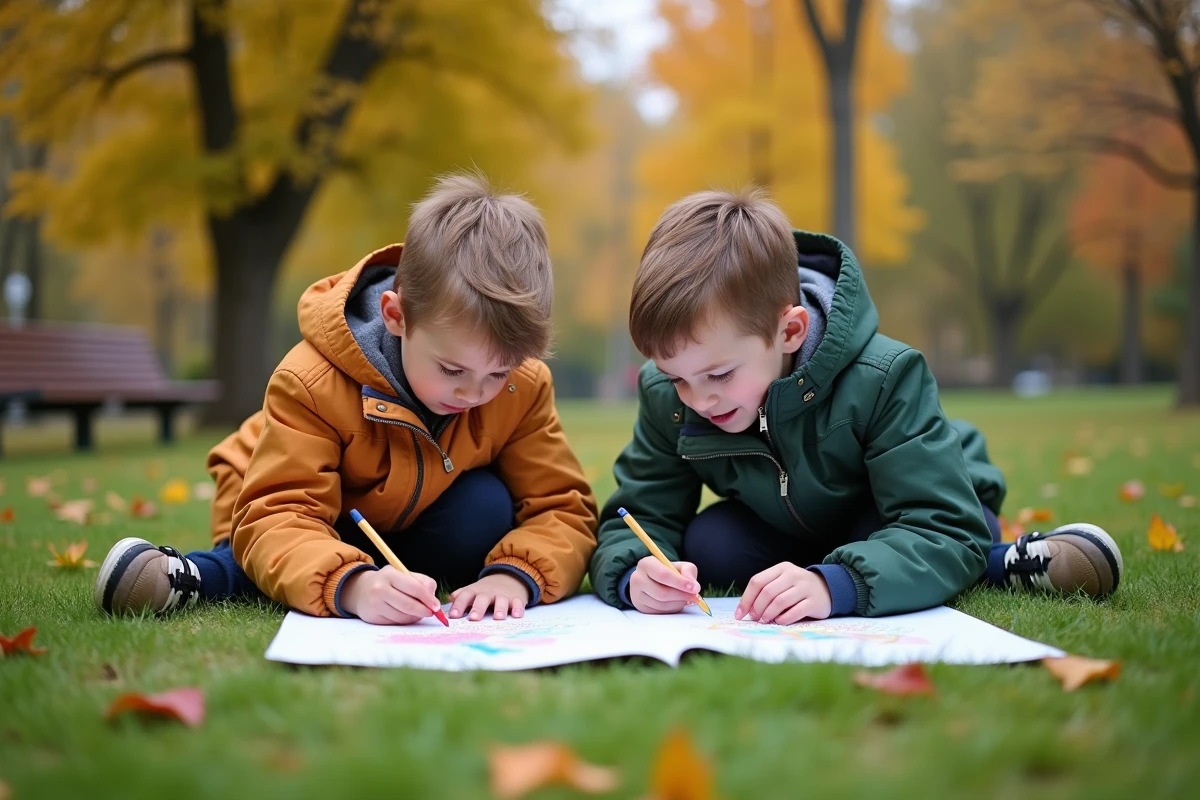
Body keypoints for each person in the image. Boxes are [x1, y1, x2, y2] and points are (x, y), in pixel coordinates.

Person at [590, 189, 1121, 623]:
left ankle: (999, 563)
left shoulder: (885, 376)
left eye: (720, 375)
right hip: (791, 527)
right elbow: (640, 511)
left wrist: (833, 584)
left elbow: (942, 524)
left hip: (904, 507)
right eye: (676, 376)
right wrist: (636, 572)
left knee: (958, 535)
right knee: (710, 544)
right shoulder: (672, 398)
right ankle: (870, 568)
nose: (698, 398)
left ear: (790, 331)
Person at [96, 173, 598, 625]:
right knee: (274, 554)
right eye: (452, 370)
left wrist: (513, 576)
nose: (474, 393)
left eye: (497, 372)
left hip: (410, 517)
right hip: (289, 504)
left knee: (486, 508)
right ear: (397, 317)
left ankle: (383, 576)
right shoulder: (309, 379)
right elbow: (278, 513)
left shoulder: (522, 387)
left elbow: (563, 508)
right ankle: (195, 577)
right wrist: (355, 586)